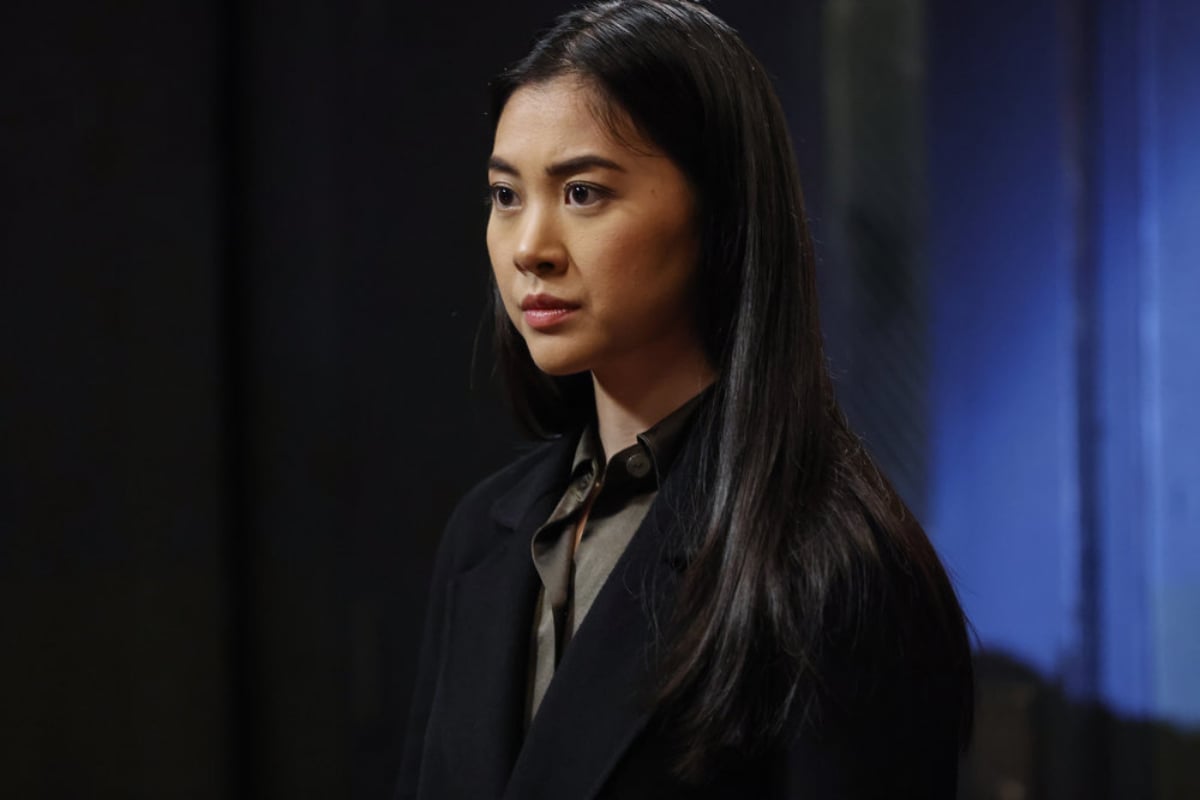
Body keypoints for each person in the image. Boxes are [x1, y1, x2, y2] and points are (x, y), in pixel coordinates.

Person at [396, 1, 973, 797]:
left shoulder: (831, 572)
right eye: (505, 195)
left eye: (583, 193)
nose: (529, 248)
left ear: (719, 210)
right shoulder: (483, 536)